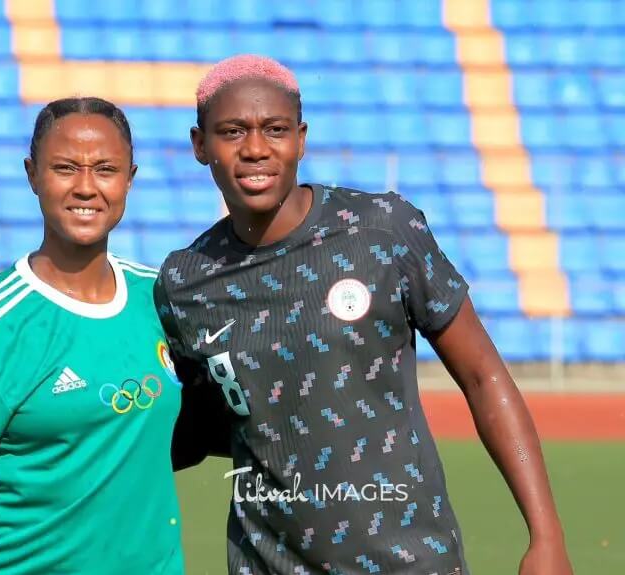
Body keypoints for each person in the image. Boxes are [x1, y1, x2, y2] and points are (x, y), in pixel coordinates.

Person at [155, 55, 573, 575]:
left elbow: (483, 375)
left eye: (275, 130)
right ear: (200, 145)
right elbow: (195, 430)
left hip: (411, 563)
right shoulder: (184, 283)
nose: (256, 148)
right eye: (233, 131)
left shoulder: (381, 232)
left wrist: (546, 536)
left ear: (301, 139)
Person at [0, 97, 185, 575]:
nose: (86, 187)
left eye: (105, 169)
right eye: (65, 168)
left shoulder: (160, 299)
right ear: (32, 175)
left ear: (130, 179)